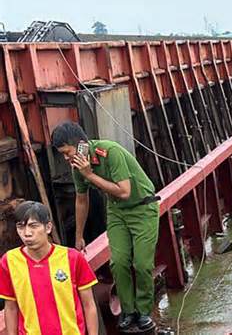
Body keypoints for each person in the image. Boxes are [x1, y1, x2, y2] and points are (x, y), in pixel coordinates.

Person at [51, 122, 159, 331]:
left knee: (142, 264)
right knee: (118, 262)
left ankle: (144, 310)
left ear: (81, 145)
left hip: (142, 208)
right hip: (117, 212)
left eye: (67, 152)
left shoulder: (110, 152)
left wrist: (90, 175)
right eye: (62, 155)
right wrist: (79, 236)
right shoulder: (78, 167)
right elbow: (82, 200)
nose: (66, 158)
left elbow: (125, 191)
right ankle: (129, 311)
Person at [0, 201, 99, 335]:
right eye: (20, 227)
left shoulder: (73, 258)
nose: (27, 233)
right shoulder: (9, 261)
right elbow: (11, 307)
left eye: (33, 226)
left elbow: (89, 304)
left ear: (48, 227)